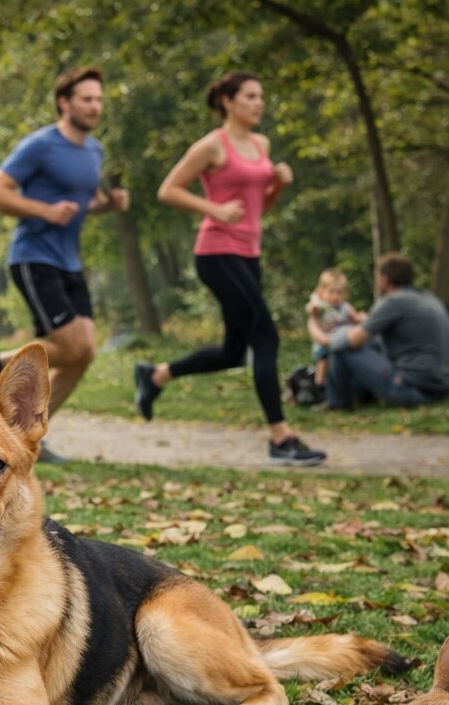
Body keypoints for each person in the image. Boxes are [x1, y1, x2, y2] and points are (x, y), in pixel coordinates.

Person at [144, 72, 324, 467]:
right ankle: (281, 438)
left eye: (261, 96)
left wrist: (278, 186)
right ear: (228, 101)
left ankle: (156, 376)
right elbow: (168, 189)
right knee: (266, 336)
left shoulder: (262, 145)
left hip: (248, 253)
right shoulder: (212, 145)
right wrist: (214, 209)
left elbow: (261, 208)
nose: (259, 103)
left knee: (233, 352)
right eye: (250, 96)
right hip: (216, 252)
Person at [0, 65, 130, 464]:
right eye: (86, 99)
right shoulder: (40, 145)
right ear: (65, 103)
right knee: (74, 346)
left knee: (84, 353)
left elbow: (84, 201)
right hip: (33, 256)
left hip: (69, 261)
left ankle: (23, 439)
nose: (94, 106)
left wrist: (108, 205)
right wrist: (45, 210)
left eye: (98, 99)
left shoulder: (94, 150)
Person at [324, 253, 449, 409]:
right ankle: (358, 395)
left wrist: (321, 335)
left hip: (410, 388)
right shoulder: (430, 298)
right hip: (441, 389)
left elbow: (351, 340)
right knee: (372, 344)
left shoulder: (393, 301)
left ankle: (338, 403)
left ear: (384, 280)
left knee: (342, 348)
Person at [306, 268, 364, 387]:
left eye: (339, 293)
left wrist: (362, 318)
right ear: (322, 291)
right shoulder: (322, 306)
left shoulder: (345, 307)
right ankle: (319, 383)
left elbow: (355, 318)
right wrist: (315, 303)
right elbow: (312, 310)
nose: (335, 296)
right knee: (324, 360)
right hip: (326, 341)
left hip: (342, 340)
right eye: (331, 292)